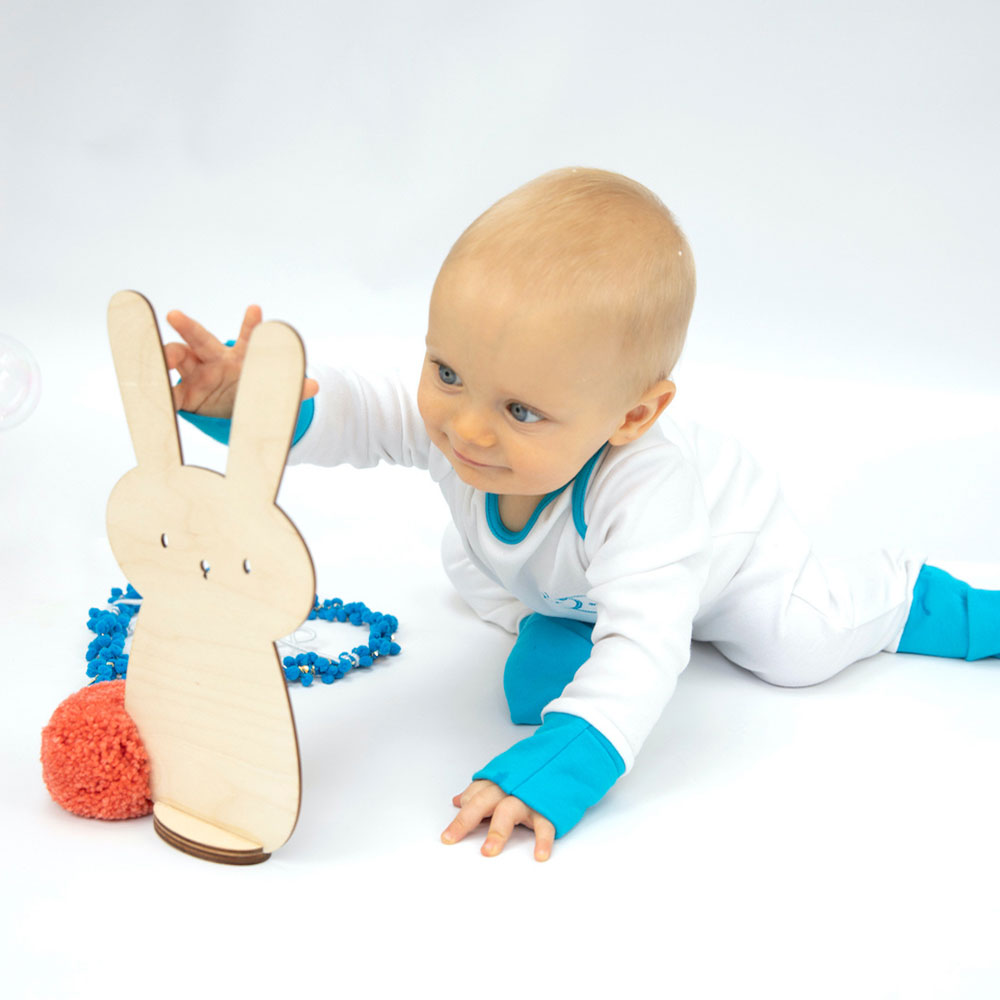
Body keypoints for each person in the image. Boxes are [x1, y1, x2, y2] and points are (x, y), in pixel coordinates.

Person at [165, 167, 1000, 862]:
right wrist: (247, 404)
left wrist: (560, 768)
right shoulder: (467, 423)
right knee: (499, 624)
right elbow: (363, 413)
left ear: (633, 416)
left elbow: (646, 644)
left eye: (522, 410)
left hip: (721, 563)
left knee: (796, 644)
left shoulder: (648, 487)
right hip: (570, 581)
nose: (466, 426)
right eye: (447, 370)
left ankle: (921, 599)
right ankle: (560, 616)